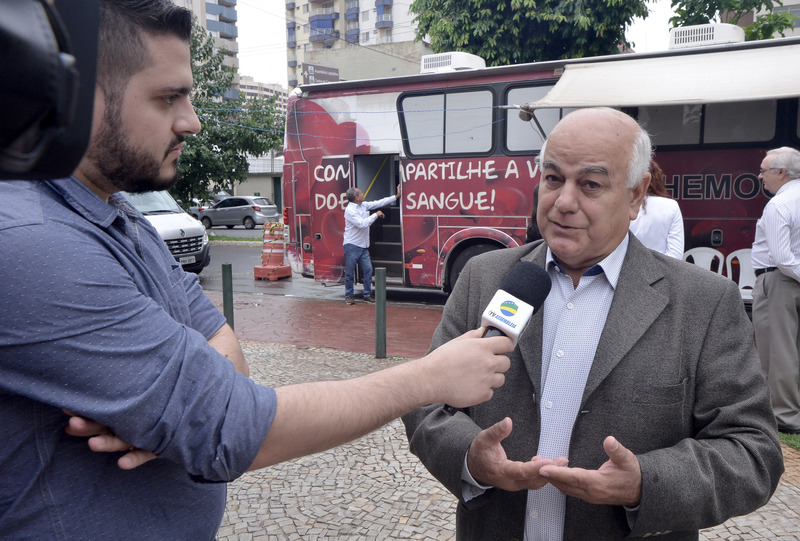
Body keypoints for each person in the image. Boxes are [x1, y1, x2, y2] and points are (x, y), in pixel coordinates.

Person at [0, 2, 515, 538]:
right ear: (75, 98)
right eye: (168, 97)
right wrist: (428, 376)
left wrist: (182, 415)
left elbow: (224, 349)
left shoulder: (119, 216)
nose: (192, 121)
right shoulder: (33, 241)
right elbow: (231, 425)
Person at [402, 107, 783, 540]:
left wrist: (645, 483)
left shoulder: (703, 302)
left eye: (590, 184)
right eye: (553, 179)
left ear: (637, 196)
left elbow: (753, 451)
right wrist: (471, 458)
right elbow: (426, 402)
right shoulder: (484, 277)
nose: (564, 202)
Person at [751, 146, 800, 434]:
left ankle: (784, 417)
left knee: (777, 352)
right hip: (789, 280)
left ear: (781, 172)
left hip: (778, 281)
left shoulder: (779, 204)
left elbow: (781, 258)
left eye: (763, 171)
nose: (760, 176)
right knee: (791, 348)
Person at [343, 185, 400, 304]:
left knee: (368, 269)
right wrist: (376, 215)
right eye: (361, 193)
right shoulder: (350, 211)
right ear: (356, 197)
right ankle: (349, 295)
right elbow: (362, 224)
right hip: (352, 245)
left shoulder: (363, 205)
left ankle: (367, 294)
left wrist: (396, 196)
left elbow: (378, 203)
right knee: (349, 272)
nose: (363, 194)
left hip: (363, 245)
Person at [629, 160, 684, 258]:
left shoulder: (626, 204)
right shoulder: (671, 206)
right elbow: (676, 255)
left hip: (628, 265)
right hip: (662, 267)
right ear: (658, 178)